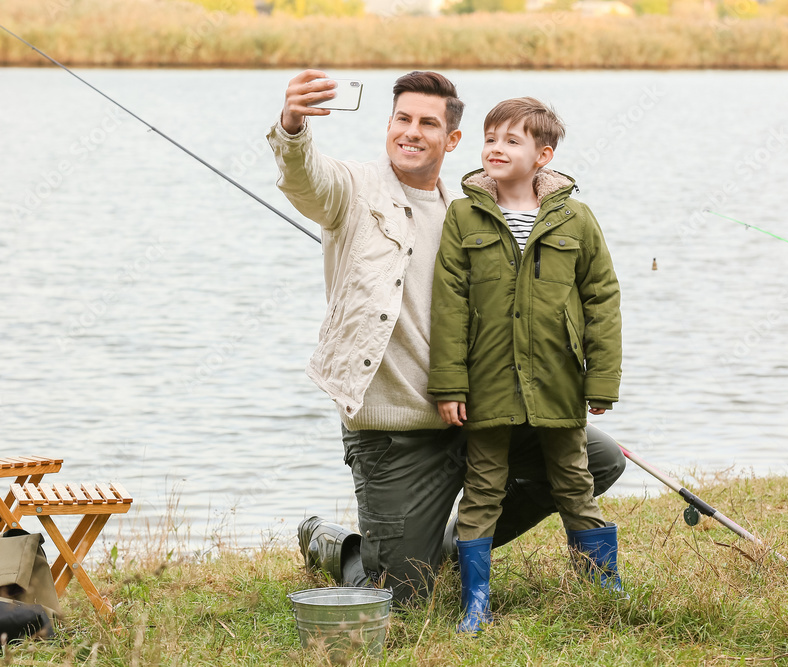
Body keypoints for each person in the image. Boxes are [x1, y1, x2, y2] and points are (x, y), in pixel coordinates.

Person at [267, 71, 626, 603]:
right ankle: (337, 545)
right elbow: (306, 179)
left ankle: (454, 549)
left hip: (480, 414)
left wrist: (565, 387)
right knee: (403, 595)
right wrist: (292, 125)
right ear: (388, 125)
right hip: (396, 438)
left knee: (600, 459)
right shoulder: (352, 189)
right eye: (402, 119)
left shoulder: (471, 212)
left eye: (427, 123)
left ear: (453, 140)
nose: (411, 132)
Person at [429, 97, 624, 632]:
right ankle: (475, 602)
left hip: (560, 385)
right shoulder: (463, 215)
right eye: (490, 138)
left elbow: (602, 299)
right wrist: (449, 383)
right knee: (483, 489)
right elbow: (448, 306)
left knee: (575, 484)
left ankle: (600, 589)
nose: (495, 148)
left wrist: (601, 379)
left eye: (511, 141)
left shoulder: (575, 218)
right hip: (487, 386)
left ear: (543, 155)